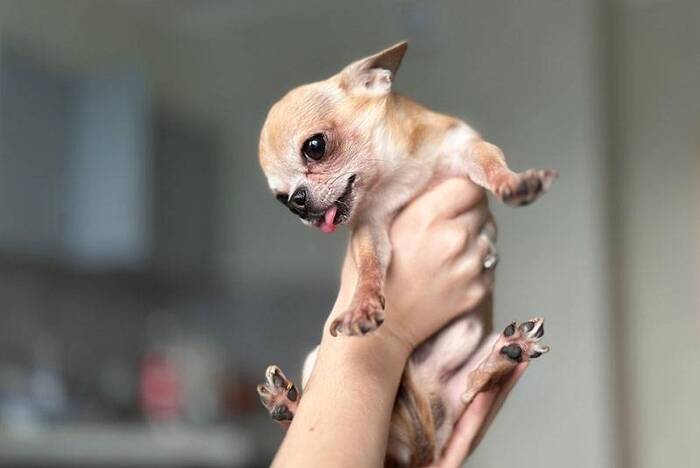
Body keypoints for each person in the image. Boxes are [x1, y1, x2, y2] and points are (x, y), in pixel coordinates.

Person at [272, 179, 527, 467]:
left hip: (419, 410)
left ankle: (312, 412)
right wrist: (384, 336)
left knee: (319, 364)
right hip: (424, 412)